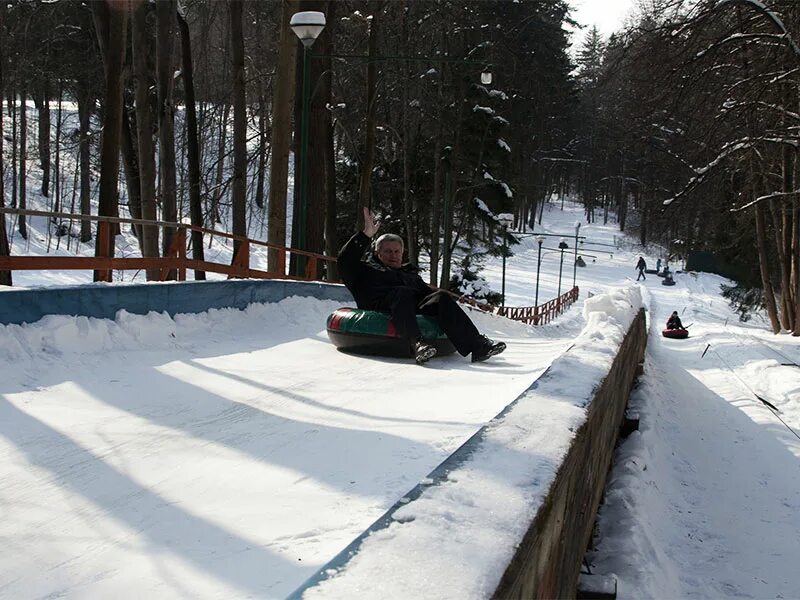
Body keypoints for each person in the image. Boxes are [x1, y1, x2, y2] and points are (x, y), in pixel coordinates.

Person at [337, 207, 506, 365]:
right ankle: (416, 344)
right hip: (380, 306)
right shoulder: (365, 270)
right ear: (377, 253)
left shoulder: (409, 274)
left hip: (408, 307)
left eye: (396, 251)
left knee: (441, 297)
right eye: (387, 251)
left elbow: (426, 296)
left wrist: (438, 299)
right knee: (402, 292)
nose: (393, 255)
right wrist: (365, 235)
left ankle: (478, 346)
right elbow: (344, 260)